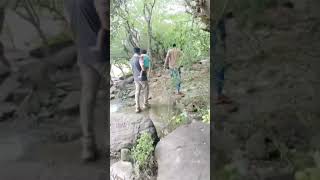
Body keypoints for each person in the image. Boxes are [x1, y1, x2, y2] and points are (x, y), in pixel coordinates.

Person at [64, 0, 109, 162]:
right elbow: (105, 17)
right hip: (103, 53)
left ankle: (88, 146)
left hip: (84, 53)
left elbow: (70, 27)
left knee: (88, 97)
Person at [213, 17, 232, 104]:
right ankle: (219, 95)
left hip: (218, 49)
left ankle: (219, 94)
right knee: (220, 71)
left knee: (220, 72)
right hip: (218, 51)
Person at [130, 47, 150, 113]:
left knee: (137, 92)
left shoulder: (131, 59)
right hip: (142, 77)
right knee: (146, 89)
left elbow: (132, 69)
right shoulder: (140, 57)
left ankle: (137, 107)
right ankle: (145, 104)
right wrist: (146, 69)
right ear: (139, 51)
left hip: (135, 77)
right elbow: (143, 67)